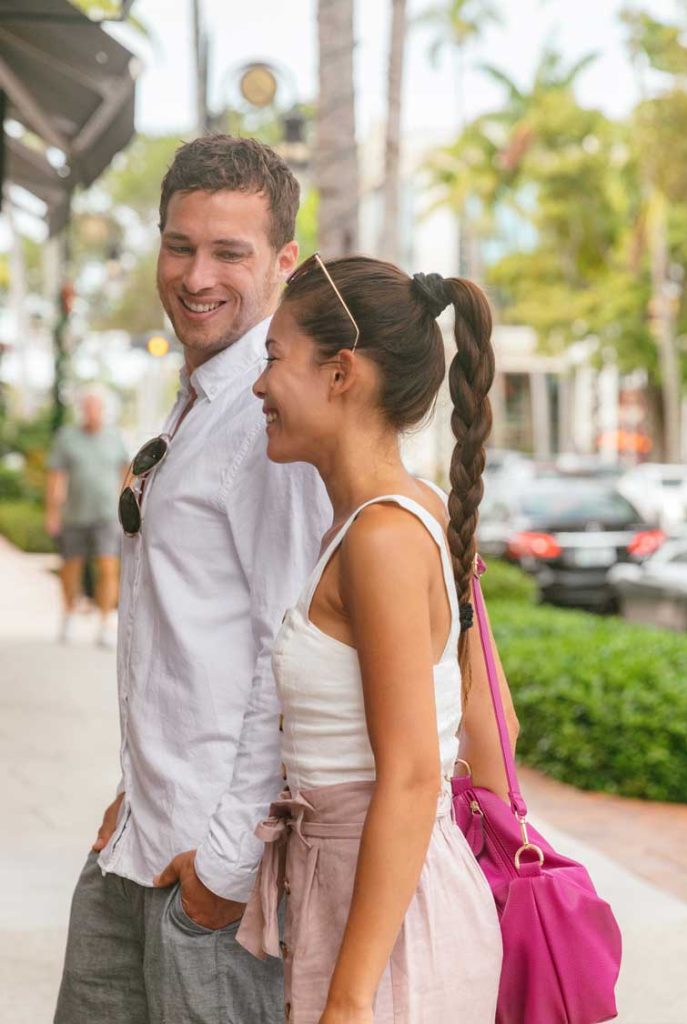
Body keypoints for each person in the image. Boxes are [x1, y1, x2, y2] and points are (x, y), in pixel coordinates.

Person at [54, 136, 331, 1024]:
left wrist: (224, 867)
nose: (196, 274)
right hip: (139, 845)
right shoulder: (200, 399)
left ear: (284, 263)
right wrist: (138, 786)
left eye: (229, 252)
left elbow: (289, 656)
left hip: (212, 889)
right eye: (181, 245)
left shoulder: (269, 419)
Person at [239, 254, 520, 1023]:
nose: (260, 386)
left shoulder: (382, 538)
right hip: (388, 901)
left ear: (341, 374)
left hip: (386, 930)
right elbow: (496, 731)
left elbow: (410, 778)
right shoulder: (412, 511)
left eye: (273, 359)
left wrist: (350, 1000)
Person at [45, 387, 128, 647]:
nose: (92, 412)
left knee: (107, 568)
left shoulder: (115, 437)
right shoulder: (67, 437)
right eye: (87, 407)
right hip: (74, 515)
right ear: (82, 410)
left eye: (96, 407)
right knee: (71, 568)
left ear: (103, 410)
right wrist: (52, 513)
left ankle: (105, 622)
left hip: (107, 515)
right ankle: (69, 613)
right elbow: (56, 477)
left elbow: (127, 474)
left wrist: (128, 509)